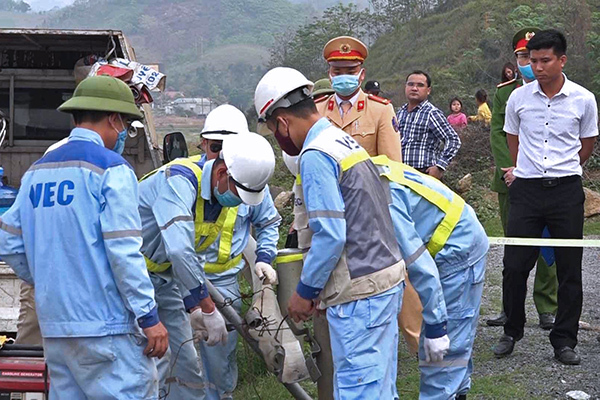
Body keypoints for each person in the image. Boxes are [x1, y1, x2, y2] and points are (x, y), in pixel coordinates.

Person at [0, 75, 169, 399]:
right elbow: (124, 252)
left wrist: (50, 277)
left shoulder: (37, 171)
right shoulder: (112, 169)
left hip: (57, 331)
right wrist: (148, 316)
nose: (122, 135)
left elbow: (7, 240)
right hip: (106, 331)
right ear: (114, 119)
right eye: (124, 126)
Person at [255, 67, 405, 399]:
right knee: (379, 386)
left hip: (360, 291)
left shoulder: (316, 155)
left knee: (359, 390)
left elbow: (331, 234)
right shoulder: (340, 139)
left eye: (273, 130)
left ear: (282, 122)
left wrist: (305, 292)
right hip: (383, 279)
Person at [139, 127, 277, 399]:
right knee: (145, 361)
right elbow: (179, 249)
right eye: (238, 195)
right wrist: (207, 306)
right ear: (223, 173)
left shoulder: (220, 191)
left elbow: (180, 258)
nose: (237, 203)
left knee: (184, 366)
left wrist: (195, 306)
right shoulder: (179, 180)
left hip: (165, 279)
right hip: (130, 277)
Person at [492, 29, 598, 365]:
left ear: (562, 60)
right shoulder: (518, 99)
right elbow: (512, 138)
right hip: (526, 190)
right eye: (531, 60)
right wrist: (524, 169)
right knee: (514, 266)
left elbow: (587, 145)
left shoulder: (583, 99)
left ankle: (564, 340)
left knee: (569, 268)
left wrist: (564, 169)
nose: (537, 67)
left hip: (566, 190)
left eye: (544, 60)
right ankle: (511, 330)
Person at [372, 155, 487, 400]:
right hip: (452, 236)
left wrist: (436, 326)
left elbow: (420, 267)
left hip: (457, 246)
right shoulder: (364, 169)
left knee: (442, 354)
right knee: (453, 344)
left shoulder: (379, 195)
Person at [487, 27, 558, 330]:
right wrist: (510, 169)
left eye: (533, 55)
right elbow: (499, 133)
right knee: (514, 248)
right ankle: (510, 309)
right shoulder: (506, 92)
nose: (529, 61)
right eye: (523, 55)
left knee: (549, 248)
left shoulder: (562, 92)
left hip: (548, 181)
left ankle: (547, 307)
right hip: (511, 181)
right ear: (516, 58)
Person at [315, 35, 402, 161]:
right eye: (337, 72)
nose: (343, 77)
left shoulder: (381, 110)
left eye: (351, 72)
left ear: (362, 75)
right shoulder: (317, 110)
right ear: (329, 74)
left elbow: (392, 163)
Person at [398, 70, 461, 180]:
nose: (414, 88)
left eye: (420, 85)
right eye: (411, 84)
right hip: (400, 173)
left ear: (428, 90)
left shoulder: (432, 113)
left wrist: (440, 166)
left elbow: (453, 139)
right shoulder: (400, 112)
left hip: (424, 174)